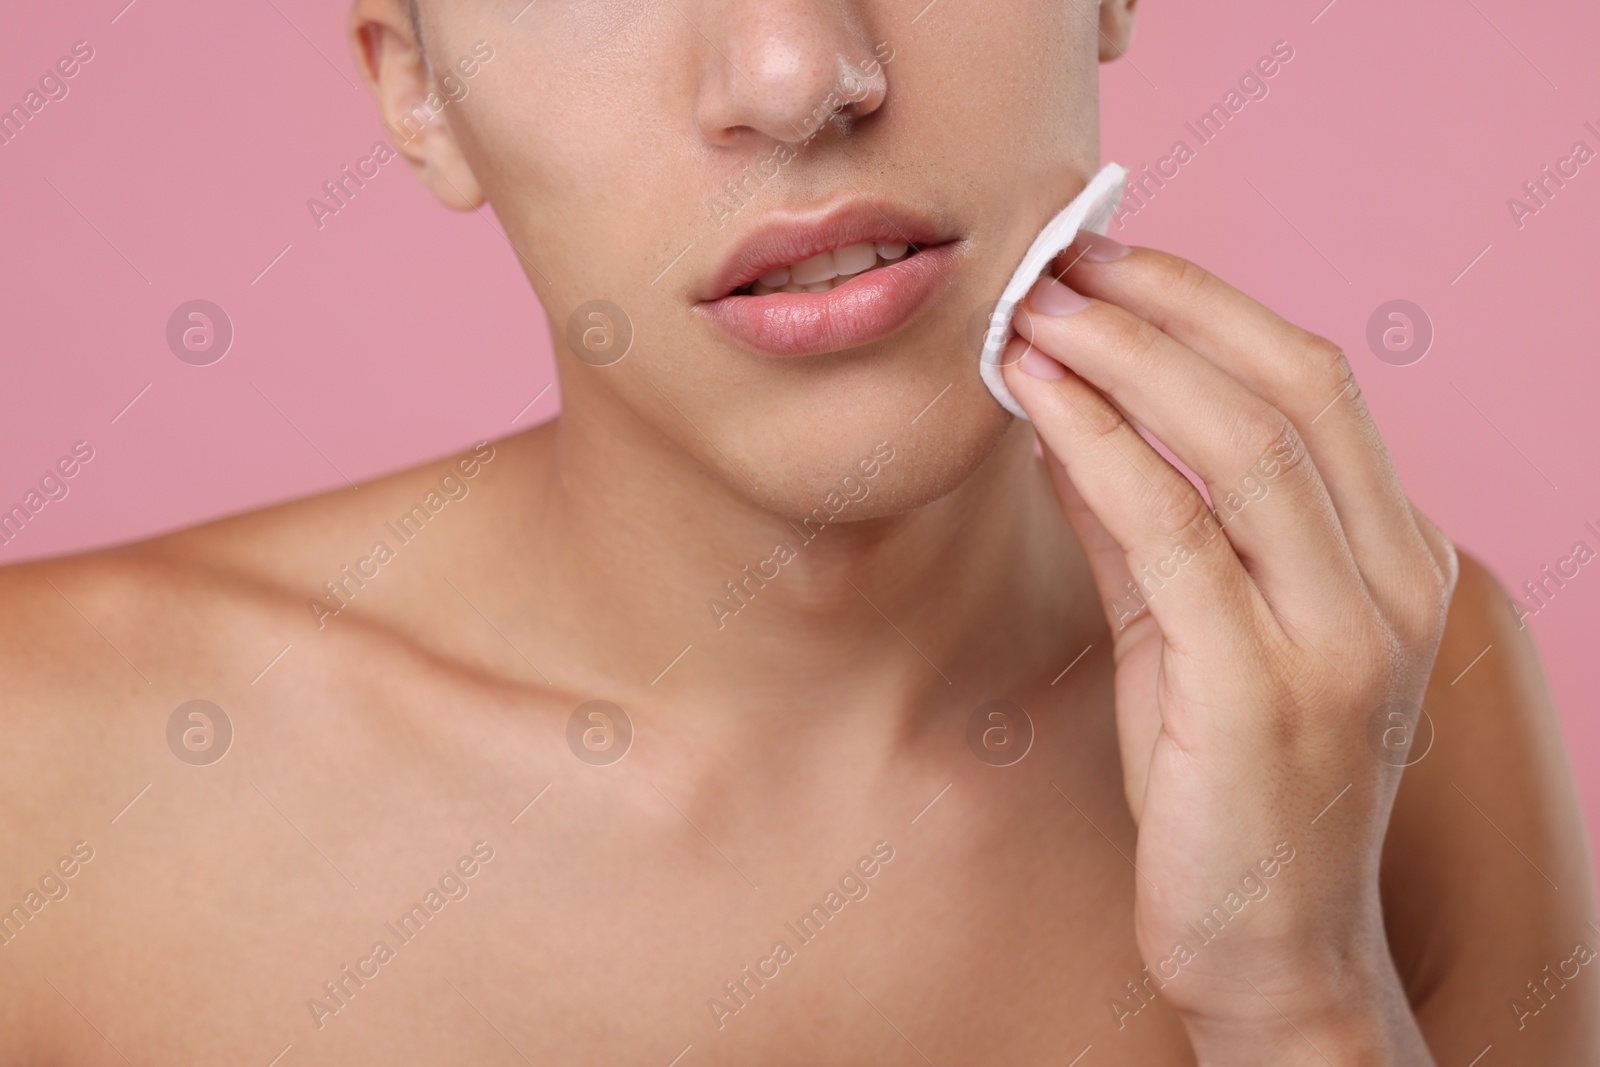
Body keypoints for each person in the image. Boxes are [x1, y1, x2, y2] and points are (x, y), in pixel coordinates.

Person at [2, 1, 1594, 1062]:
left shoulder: (1391, 692)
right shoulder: (40, 766)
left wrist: (1306, 1006)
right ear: (422, 96)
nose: (796, 75)